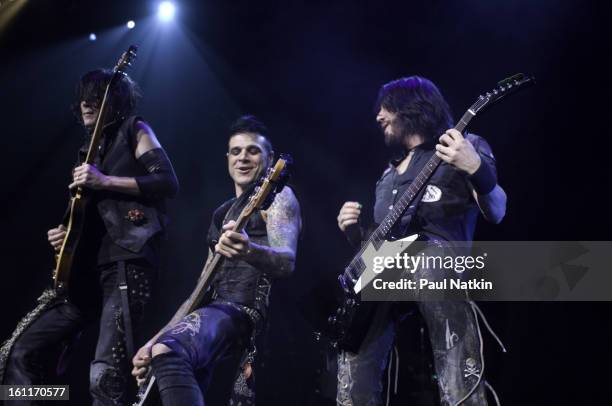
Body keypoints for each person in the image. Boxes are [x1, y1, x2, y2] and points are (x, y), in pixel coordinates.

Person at [0, 69, 179, 405]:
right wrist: (65, 234)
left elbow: (168, 182)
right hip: (83, 272)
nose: (86, 102)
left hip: (125, 261)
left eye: (96, 95)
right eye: (83, 95)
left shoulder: (135, 129)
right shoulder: (87, 152)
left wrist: (105, 181)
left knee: (104, 374)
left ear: (117, 100)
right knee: (20, 351)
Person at [335, 76, 507, 405]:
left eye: (385, 108)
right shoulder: (386, 177)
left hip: (438, 267)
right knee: (352, 349)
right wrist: (354, 235)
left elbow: (497, 210)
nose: (378, 116)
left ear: (410, 107)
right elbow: (379, 248)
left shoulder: (462, 144)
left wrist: (475, 167)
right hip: (387, 274)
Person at [132, 115, 301, 406]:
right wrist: (153, 340)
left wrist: (249, 251)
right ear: (227, 158)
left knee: (169, 350)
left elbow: (287, 261)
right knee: (163, 355)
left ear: (270, 158)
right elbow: (199, 291)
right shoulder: (222, 214)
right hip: (215, 312)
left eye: (252, 150)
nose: (243, 158)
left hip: (251, 315)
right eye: (235, 151)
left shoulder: (278, 196)